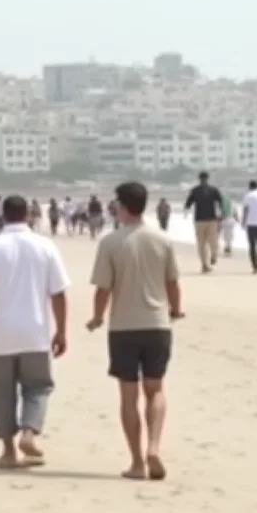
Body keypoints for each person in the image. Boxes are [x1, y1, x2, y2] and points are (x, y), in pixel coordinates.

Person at [0, 194, 69, 469]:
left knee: (1, 393)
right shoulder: (46, 247)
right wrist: (62, 331)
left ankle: (8, 452)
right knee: (38, 387)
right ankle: (29, 433)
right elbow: (59, 294)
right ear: (28, 215)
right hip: (35, 333)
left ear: (3, 215)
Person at [87, 181, 183, 481]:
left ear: (121, 205)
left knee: (128, 395)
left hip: (123, 327)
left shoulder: (111, 242)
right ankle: (154, 447)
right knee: (155, 389)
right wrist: (176, 310)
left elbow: (103, 288)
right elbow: (172, 284)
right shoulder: (162, 240)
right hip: (157, 325)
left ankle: (137, 463)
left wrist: (96, 317)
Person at [183, 171, 223, 274]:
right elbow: (220, 202)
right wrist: (221, 215)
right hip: (211, 219)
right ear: (207, 178)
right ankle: (214, 255)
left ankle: (204, 265)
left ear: (199, 179)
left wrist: (185, 213)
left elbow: (188, 204)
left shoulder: (195, 190)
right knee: (213, 241)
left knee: (201, 244)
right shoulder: (213, 190)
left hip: (199, 220)